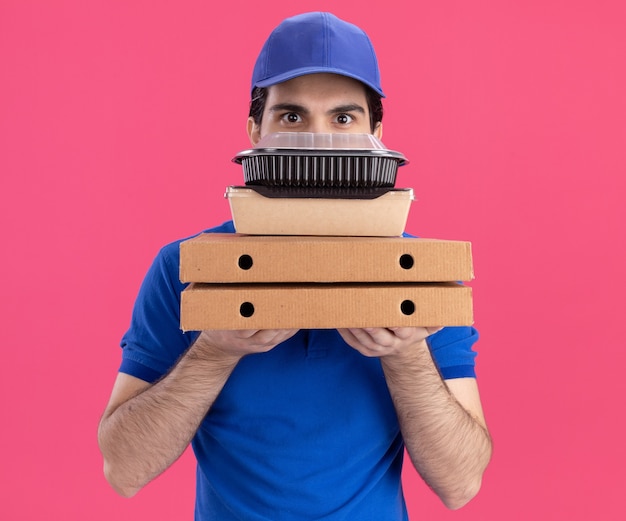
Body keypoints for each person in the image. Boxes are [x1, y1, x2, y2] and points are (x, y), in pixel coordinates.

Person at [98, 11, 492, 520]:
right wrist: (213, 353)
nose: (318, 138)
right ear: (253, 131)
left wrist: (407, 356)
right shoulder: (187, 267)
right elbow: (123, 470)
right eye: (291, 117)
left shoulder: (420, 273)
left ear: (376, 132)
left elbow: (461, 484)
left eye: (343, 119)